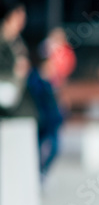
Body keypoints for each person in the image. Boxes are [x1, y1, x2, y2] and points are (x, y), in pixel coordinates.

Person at [26, 46, 64, 179]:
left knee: (54, 148)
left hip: (53, 121)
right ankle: (37, 173)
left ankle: (42, 172)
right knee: (37, 148)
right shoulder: (35, 80)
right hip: (41, 120)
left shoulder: (51, 80)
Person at [0, 1, 35, 119]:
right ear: (8, 17)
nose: (22, 22)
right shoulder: (4, 41)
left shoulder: (18, 43)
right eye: (19, 17)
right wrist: (15, 72)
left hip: (16, 97)